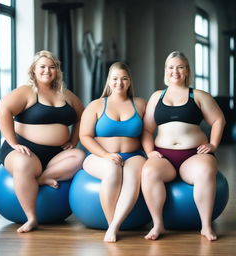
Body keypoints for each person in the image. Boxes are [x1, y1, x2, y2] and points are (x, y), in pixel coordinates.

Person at [0, 50, 85, 233]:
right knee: (23, 164)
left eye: (52, 67)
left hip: (55, 154)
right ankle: (31, 218)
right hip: (24, 150)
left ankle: (42, 178)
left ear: (57, 71)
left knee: (80, 156)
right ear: (33, 70)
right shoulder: (27, 91)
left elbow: (83, 116)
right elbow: (2, 109)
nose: (47, 71)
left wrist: (73, 140)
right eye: (42, 67)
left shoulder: (65, 94)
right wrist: (13, 142)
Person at [141, 51, 226, 241]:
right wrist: (149, 152)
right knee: (148, 173)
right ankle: (158, 224)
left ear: (187, 70)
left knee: (205, 171)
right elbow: (147, 130)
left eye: (180, 67)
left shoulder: (198, 95)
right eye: (171, 67)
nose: (175, 71)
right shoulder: (156, 97)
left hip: (194, 155)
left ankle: (205, 226)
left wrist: (213, 144)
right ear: (165, 70)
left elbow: (219, 120)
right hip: (164, 156)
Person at [79, 62, 147, 242]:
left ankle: (114, 226)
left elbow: (147, 133)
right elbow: (85, 136)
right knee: (112, 170)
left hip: (134, 156)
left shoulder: (140, 104)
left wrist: (151, 152)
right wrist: (106, 155)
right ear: (109, 81)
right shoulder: (96, 105)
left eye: (124, 79)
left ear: (130, 81)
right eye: (115, 79)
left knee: (132, 177)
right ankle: (112, 224)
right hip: (99, 156)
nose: (119, 83)